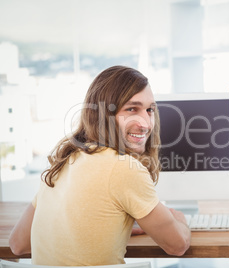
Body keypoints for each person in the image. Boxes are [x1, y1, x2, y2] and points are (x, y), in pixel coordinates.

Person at [8, 65, 191, 265]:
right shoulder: (124, 168)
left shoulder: (63, 161)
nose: (146, 123)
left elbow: (18, 243)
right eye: (131, 109)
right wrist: (181, 222)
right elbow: (177, 245)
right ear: (103, 114)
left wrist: (107, 229)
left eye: (150, 110)